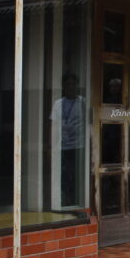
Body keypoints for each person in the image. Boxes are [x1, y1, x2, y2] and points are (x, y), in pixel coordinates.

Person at [50, 72, 85, 206]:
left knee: (76, 176)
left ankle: (75, 200)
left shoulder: (82, 102)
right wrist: (51, 146)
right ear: (64, 86)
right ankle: (67, 199)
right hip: (62, 146)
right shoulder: (58, 103)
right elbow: (53, 125)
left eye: (73, 84)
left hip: (78, 146)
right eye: (68, 84)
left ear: (77, 86)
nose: (70, 87)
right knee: (63, 176)